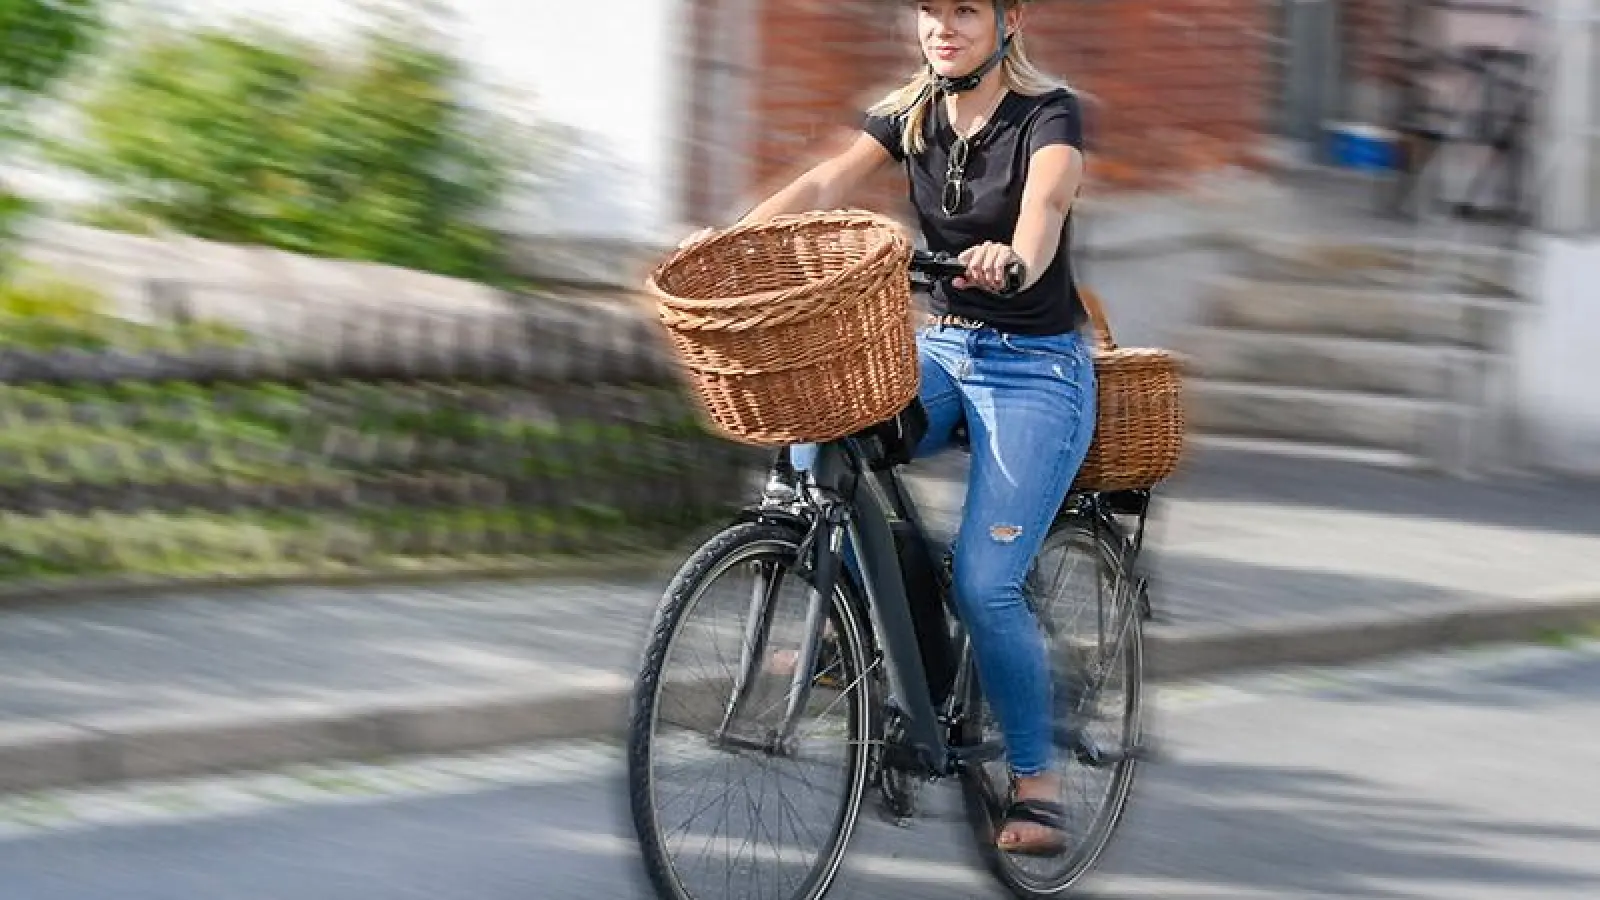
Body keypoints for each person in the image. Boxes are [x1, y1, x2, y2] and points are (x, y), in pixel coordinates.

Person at [688, 0, 1095, 855]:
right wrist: (730, 242)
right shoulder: (912, 113)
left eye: (965, 10)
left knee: (987, 582)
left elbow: (1048, 206)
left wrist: (1011, 256)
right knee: (820, 424)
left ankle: (1037, 781)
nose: (944, 26)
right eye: (930, 10)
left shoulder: (1047, 114)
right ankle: (850, 621)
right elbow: (826, 184)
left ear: (1007, 18)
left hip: (1036, 369)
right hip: (945, 350)